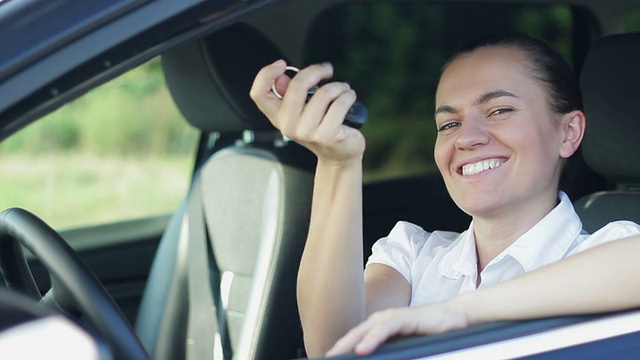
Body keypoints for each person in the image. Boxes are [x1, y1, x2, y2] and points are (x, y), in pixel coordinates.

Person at [249, 32, 640, 357]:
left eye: (500, 110)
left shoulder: (606, 249)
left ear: (568, 133)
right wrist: (338, 162)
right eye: (449, 123)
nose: (466, 138)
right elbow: (333, 346)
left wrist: (457, 315)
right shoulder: (413, 256)